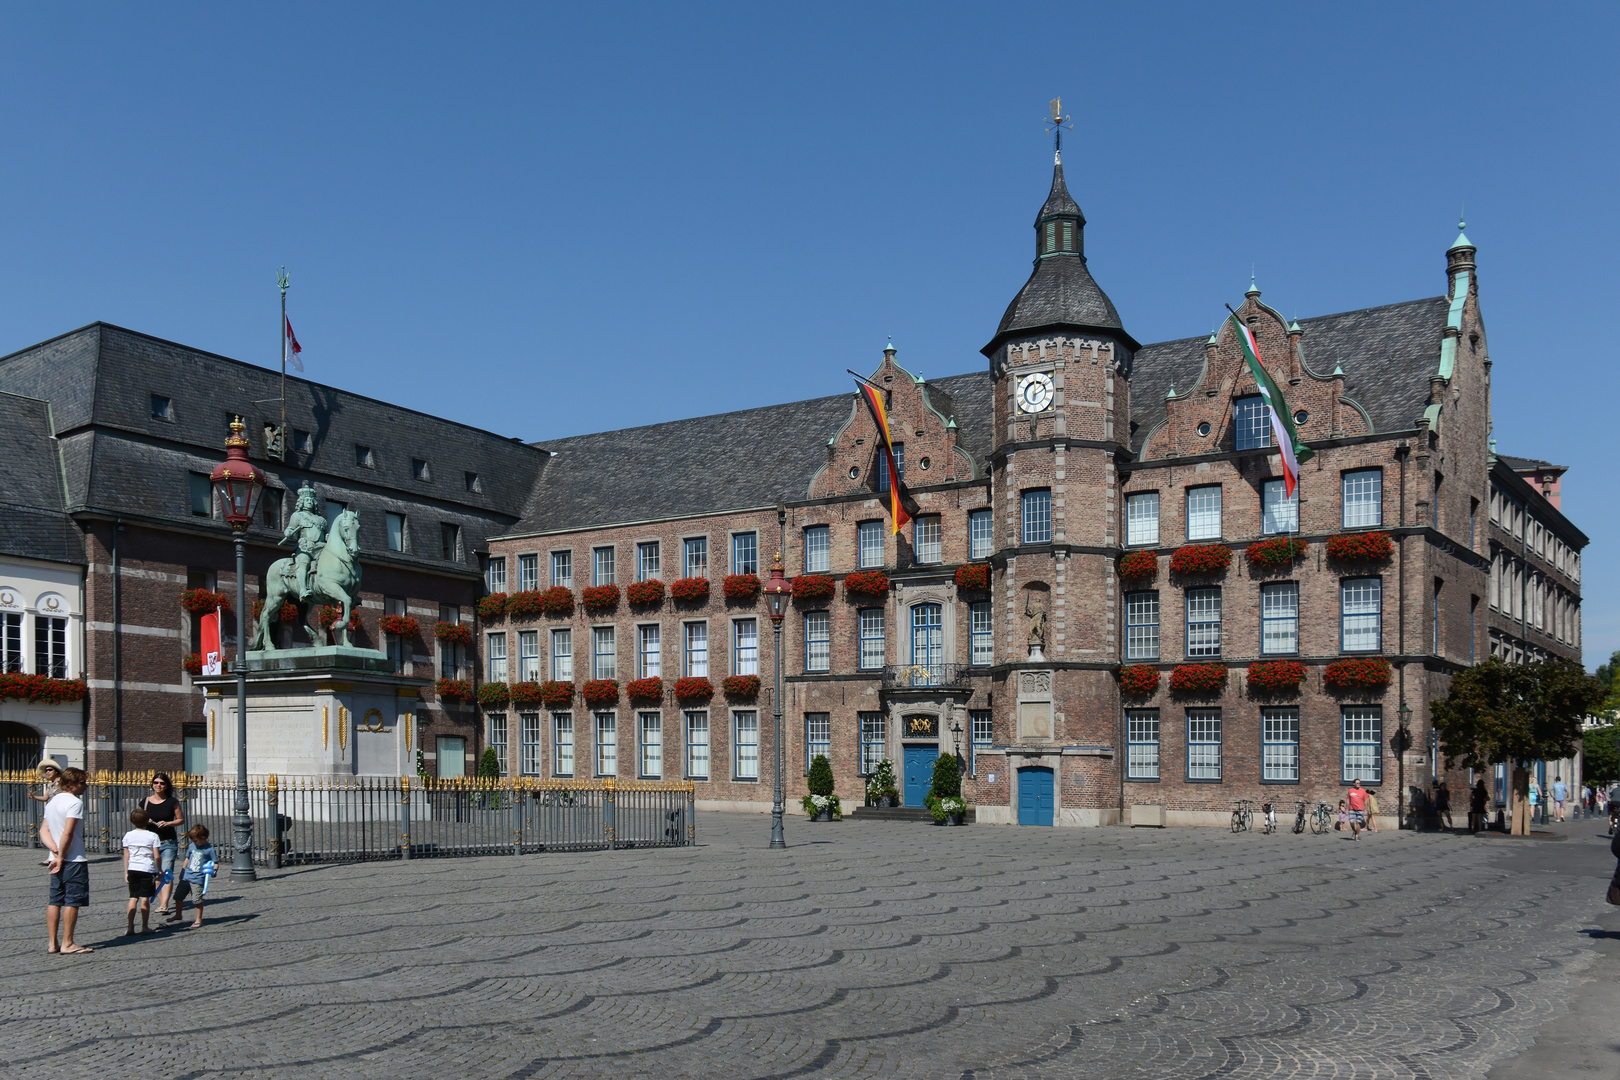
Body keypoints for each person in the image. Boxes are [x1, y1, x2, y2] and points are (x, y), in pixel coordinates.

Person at [43, 767, 92, 954]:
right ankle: (68, 943)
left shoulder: (53, 801)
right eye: (82, 782)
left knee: (55, 900)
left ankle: (52, 943)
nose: (86, 786)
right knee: (72, 900)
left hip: (53, 858)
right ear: (71, 784)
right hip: (72, 859)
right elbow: (68, 832)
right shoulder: (74, 803)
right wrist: (62, 856)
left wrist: (54, 851)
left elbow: (43, 831)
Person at [140, 773, 184, 916]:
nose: (158, 785)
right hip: (151, 843)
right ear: (152, 784)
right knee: (155, 873)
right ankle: (162, 901)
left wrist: (168, 823)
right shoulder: (145, 802)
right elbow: (138, 818)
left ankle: (164, 904)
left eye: (162, 783)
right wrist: (144, 822)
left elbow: (180, 819)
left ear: (166, 786)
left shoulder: (172, 802)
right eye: (156, 782)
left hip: (168, 842)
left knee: (166, 872)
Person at [166, 825, 216, 929]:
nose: (194, 842)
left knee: (197, 900)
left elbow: (215, 863)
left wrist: (214, 871)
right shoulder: (192, 846)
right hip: (186, 876)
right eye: (193, 840)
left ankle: (198, 919)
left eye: (196, 840)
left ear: (203, 837)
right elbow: (187, 859)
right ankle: (178, 915)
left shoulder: (209, 849)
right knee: (178, 897)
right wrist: (182, 871)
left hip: (198, 879)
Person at [121, 808, 160, 936]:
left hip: (133, 868)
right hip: (147, 869)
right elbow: (157, 856)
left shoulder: (128, 835)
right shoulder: (153, 836)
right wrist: (159, 870)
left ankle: (130, 926)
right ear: (147, 821)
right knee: (145, 899)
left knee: (133, 898)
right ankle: (144, 926)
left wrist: (126, 871)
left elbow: (126, 855)